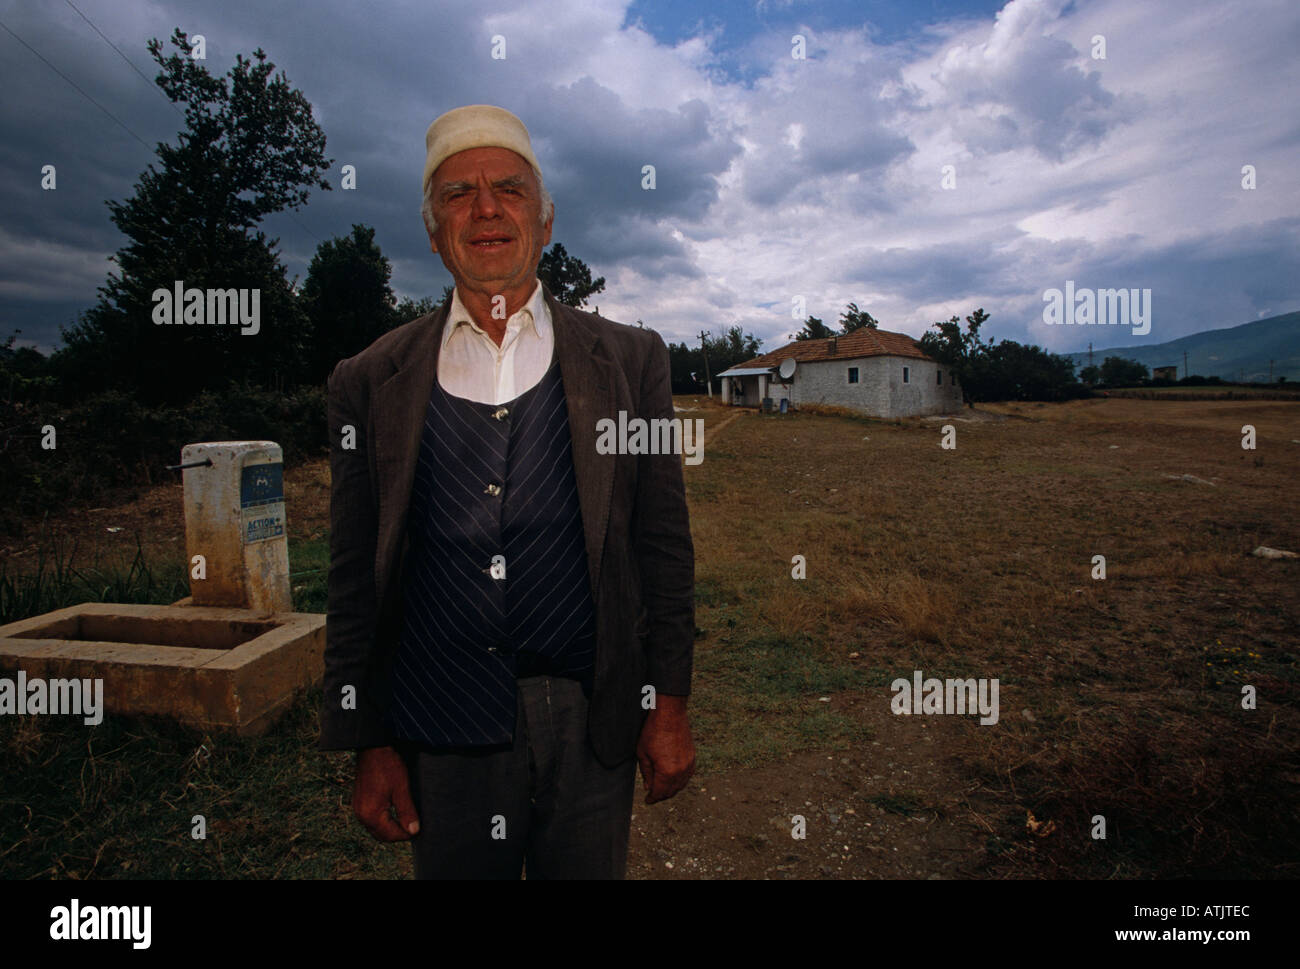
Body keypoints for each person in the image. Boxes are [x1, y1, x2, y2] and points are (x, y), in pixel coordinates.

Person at [319, 104, 696, 879]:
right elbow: (354, 576)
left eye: (510, 190)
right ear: (432, 231)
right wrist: (368, 739)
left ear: (545, 220)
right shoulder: (368, 382)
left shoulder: (630, 362)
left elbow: (661, 544)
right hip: (438, 724)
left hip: (592, 718)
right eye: (458, 193)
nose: (486, 209)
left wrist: (669, 704)